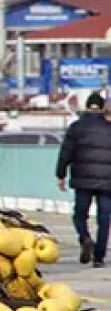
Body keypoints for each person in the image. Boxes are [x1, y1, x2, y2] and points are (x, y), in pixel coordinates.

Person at [57, 92, 111, 268]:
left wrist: (61, 174)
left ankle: (85, 238)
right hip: (107, 181)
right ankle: (99, 258)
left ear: (87, 107)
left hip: (82, 180)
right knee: (104, 219)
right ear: (102, 108)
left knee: (80, 215)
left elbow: (66, 153)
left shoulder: (76, 127)